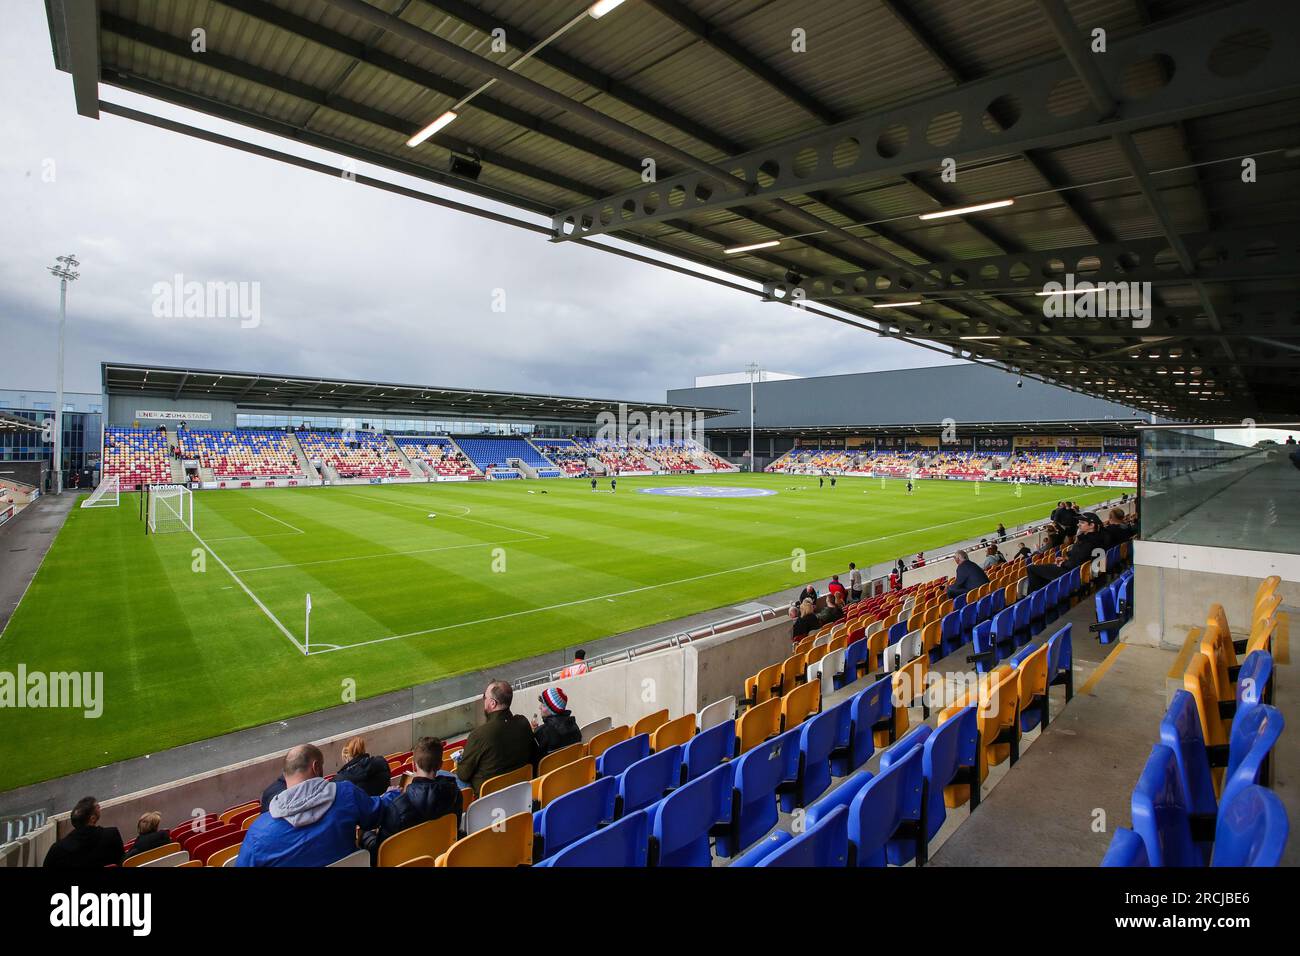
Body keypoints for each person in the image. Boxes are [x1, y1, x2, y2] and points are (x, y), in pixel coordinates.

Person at [236, 744, 384, 867]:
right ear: (316, 767)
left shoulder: (259, 831)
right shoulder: (346, 793)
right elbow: (377, 812)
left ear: (285, 773)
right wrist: (394, 793)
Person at [361, 736, 460, 862]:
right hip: (438, 858)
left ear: (413, 766)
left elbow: (381, 852)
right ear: (440, 765)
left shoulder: (398, 807)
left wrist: (366, 835)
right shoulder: (455, 794)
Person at [453, 680, 539, 795]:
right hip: (520, 791)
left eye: (485, 697)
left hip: (489, 799)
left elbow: (463, 774)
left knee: (450, 776)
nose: (484, 700)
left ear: (493, 703)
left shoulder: (479, 735)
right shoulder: (522, 722)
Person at [1026, 512, 1106, 592]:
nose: (1078, 524)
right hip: (1077, 571)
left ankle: (1035, 595)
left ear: (1091, 525)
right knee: (1043, 571)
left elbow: (1077, 561)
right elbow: (1080, 557)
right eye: (1079, 522)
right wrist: (1065, 559)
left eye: (1082, 522)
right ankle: (1044, 593)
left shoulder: (1088, 542)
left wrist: (1063, 563)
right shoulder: (1095, 538)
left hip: (1071, 573)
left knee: (1031, 569)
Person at [43, 797, 125, 868]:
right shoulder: (111, 835)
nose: (99, 807)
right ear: (92, 819)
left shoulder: (57, 849)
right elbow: (122, 862)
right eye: (97, 807)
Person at [533, 686, 582, 757]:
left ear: (552, 711)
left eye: (543, 705)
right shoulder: (574, 725)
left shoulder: (542, 732)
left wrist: (535, 732)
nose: (539, 707)